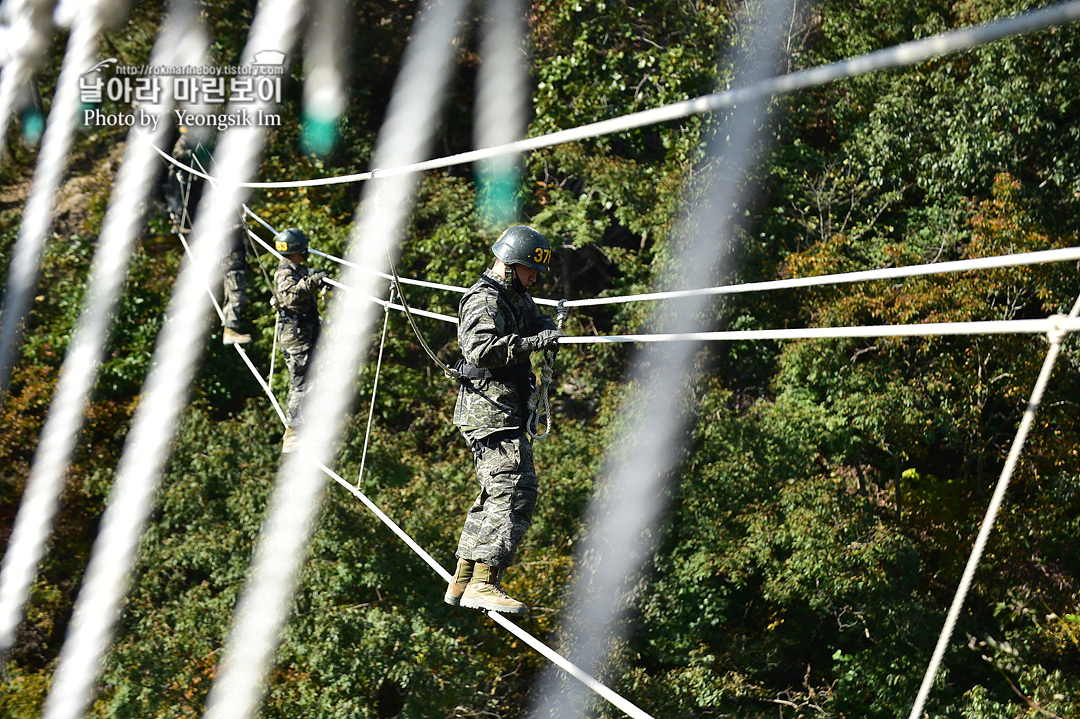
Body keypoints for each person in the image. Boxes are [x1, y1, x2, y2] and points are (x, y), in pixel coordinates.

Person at [445, 225, 562, 615]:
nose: (535, 277)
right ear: (511, 264)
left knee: (497, 491)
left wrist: (545, 329)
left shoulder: (517, 297)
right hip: (489, 411)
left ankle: (463, 577)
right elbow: (480, 350)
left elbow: (532, 323)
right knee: (516, 489)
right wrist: (531, 344)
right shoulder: (483, 300)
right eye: (530, 269)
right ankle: (484, 582)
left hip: (503, 408)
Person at [272, 227, 327, 453]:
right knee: (302, 384)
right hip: (296, 337)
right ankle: (292, 433)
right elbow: (290, 295)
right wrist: (311, 282)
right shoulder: (284, 273)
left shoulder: (296, 269)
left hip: (306, 332)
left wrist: (314, 277)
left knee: (311, 380)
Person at [221, 219, 252, 345]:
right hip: (232, 264)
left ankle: (230, 330)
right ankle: (230, 330)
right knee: (236, 296)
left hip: (232, 264)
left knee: (233, 295)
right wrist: (239, 227)